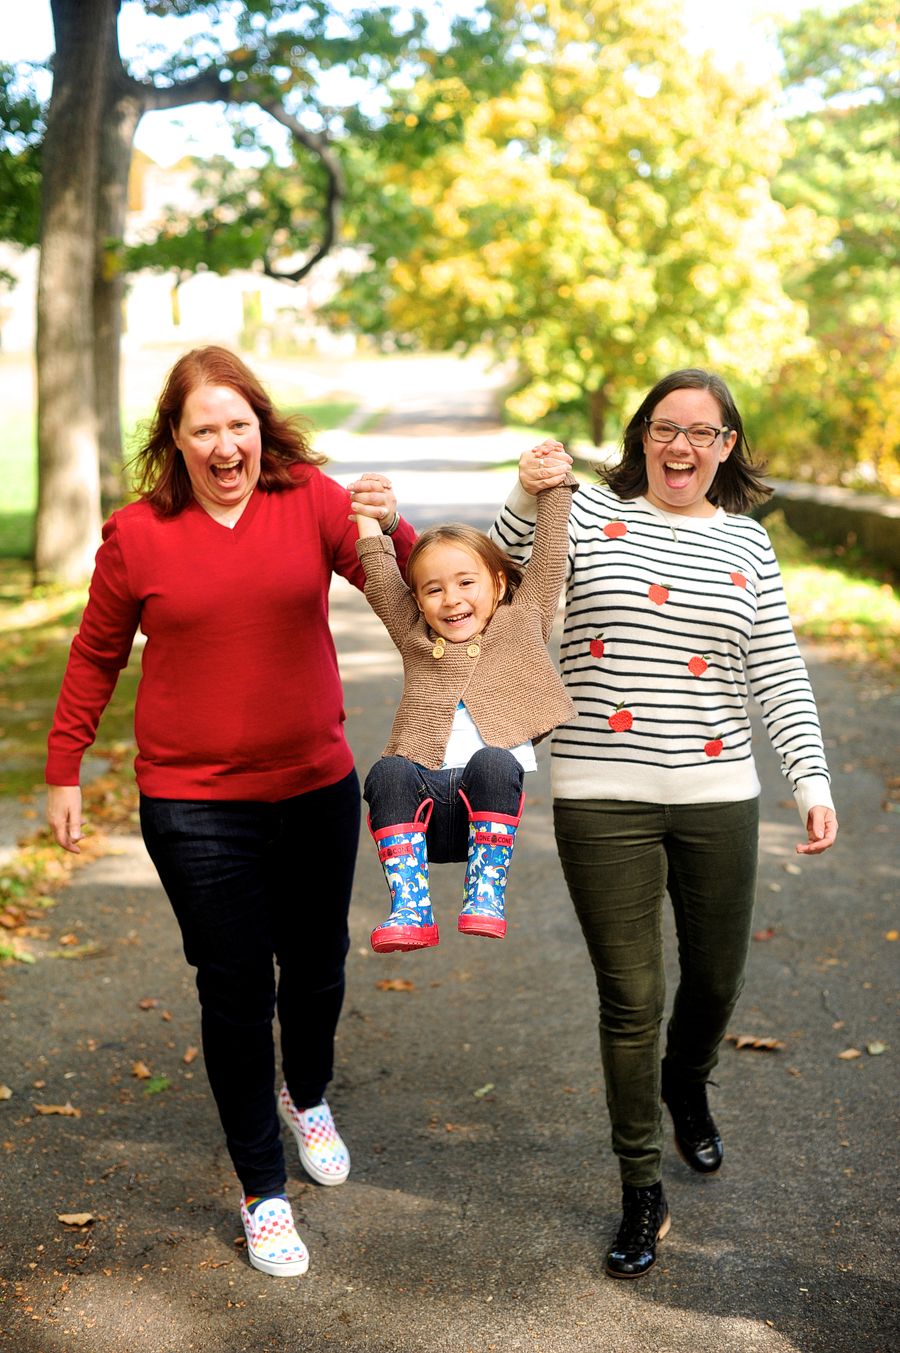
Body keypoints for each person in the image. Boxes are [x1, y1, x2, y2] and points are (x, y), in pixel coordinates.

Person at [45, 345, 416, 1279]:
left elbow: (402, 594)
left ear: (263, 427)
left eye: (238, 425)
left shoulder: (315, 502)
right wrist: (64, 765)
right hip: (196, 805)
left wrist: (394, 528)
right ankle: (263, 1190)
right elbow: (96, 655)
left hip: (316, 788)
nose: (223, 445)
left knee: (320, 967)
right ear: (175, 438)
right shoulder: (138, 535)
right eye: (203, 428)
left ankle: (310, 1095)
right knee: (238, 991)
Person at [491, 370, 837, 1279]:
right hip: (602, 794)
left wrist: (809, 779)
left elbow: (778, 672)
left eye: (703, 432)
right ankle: (641, 1187)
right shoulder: (591, 518)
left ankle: (687, 1080)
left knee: (716, 982)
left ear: (728, 447)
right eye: (665, 427)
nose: (681, 446)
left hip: (720, 795)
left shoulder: (750, 547)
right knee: (631, 998)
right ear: (643, 435)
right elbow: (506, 572)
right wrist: (527, 490)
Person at [354, 443, 577, 952]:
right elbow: (382, 579)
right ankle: (410, 907)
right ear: (417, 602)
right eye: (432, 590)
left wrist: (555, 485)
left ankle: (485, 893)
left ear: (498, 585)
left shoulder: (523, 621)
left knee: (496, 761)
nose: (451, 598)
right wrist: (370, 517)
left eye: (466, 582)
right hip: (423, 814)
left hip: (485, 805)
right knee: (386, 771)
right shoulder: (415, 636)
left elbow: (548, 555)